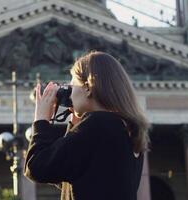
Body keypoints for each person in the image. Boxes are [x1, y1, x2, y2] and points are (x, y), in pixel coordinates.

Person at [24, 51, 150, 200]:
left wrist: (40, 120)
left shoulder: (98, 124)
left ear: (88, 87)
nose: (70, 93)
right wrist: (75, 123)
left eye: (72, 85)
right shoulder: (124, 128)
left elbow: (37, 167)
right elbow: (67, 174)